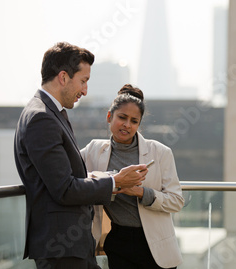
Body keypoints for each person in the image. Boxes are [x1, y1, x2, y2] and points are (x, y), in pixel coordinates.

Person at [14, 42, 148, 269]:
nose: (85, 90)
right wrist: (116, 181)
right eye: (83, 81)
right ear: (63, 77)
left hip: (68, 245)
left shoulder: (50, 113)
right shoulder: (42, 118)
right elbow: (64, 189)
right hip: (60, 247)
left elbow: (63, 177)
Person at [81, 84, 184, 269]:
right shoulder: (93, 150)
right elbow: (71, 175)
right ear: (109, 117)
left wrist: (140, 192)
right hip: (119, 242)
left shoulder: (160, 152)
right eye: (122, 117)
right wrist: (110, 181)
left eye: (134, 121)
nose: (127, 125)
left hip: (156, 244)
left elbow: (176, 201)